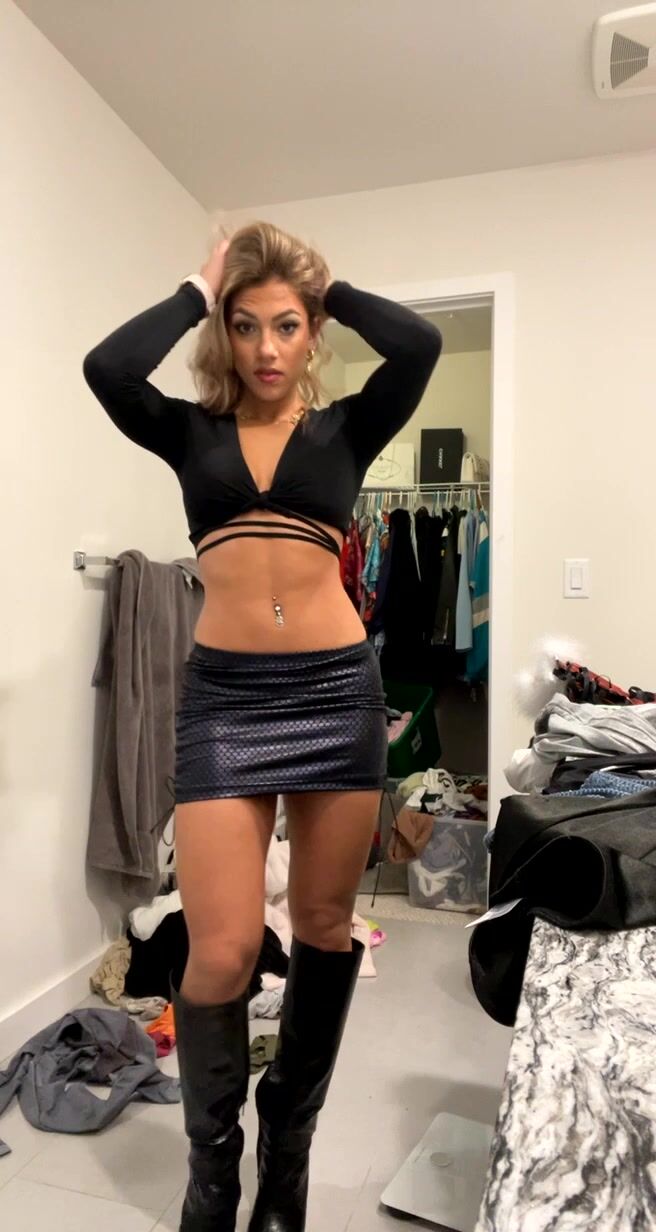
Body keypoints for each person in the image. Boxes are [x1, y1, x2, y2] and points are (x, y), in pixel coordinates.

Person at [82, 221, 442, 1232]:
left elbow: (416, 343)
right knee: (222, 949)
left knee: (322, 928)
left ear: (311, 332)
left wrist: (329, 288)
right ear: (225, 335)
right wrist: (197, 289)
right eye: (246, 326)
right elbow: (106, 368)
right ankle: (212, 1176)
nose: (267, 346)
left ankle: (287, 1157)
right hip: (225, 703)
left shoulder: (346, 430)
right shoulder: (190, 433)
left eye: (287, 325)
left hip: (335, 695)